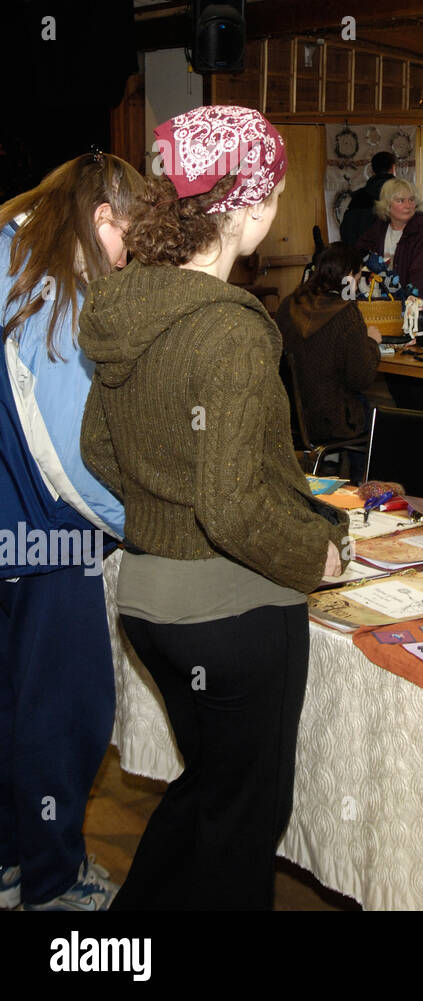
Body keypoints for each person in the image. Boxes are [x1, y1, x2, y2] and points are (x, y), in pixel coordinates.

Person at [78, 106, 347, 911]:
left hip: (150, 603)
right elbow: (233, 507)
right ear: (253, 206)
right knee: (241, 828)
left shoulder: (130, 307)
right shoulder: (230, 330)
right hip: (234, 613)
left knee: (211, 801)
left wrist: (164, 500)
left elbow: (99, 449)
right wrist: (319, 556)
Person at [1, 152, 144, 912]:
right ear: (101, 217)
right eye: (129, 237)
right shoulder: (45, 282)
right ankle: (54, 881)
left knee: (13, 706)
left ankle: (11, 863)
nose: (127, 256)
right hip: (48, 541)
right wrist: (142, 523)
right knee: (66, 714)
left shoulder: (9, 251)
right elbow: (68, 460)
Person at [275, 242, 380, 471]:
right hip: (330, 422)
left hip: (289, 416)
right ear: (349, 277)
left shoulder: (288, 305)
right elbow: (361, 378)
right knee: (372, 415)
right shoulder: (346, 314)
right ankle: (361, 488)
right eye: (358, 275)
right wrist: (372, 342)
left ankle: (329, 468)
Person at [355, 178, 423, 328]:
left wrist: (405, 311)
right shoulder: (375, 232)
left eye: (411, 200)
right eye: (401, 201)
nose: (408, 205)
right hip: (386, 316)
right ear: (387, 205)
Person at [338, 150, 395, 247]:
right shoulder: (402, 194)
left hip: (363, 256)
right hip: (397, 257)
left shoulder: (359, 196)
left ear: (372, 171)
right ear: (393, 168)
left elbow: (347, 232)